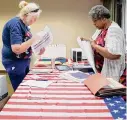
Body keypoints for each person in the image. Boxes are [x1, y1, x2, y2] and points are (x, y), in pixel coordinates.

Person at [2, 1, 45, 91]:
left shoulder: (25, 25)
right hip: (14, 61)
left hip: (23, 61)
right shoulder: (15, 24)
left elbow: (26, 44)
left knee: (26, 86)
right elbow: (17, 49)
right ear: (25, 15)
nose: (35, 21)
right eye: (33, 18)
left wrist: (38, 48)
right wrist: (33, 39)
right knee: (20, 90)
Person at [81, 5, 126, 83]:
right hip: (101, 72)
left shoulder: (114, 30)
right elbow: (96, 41)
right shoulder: (102, 29)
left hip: (112, 74)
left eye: (95, 21)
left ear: (103, 19)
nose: (93, 23)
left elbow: (114, 54)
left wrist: (95, 46)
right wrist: (86, 40)